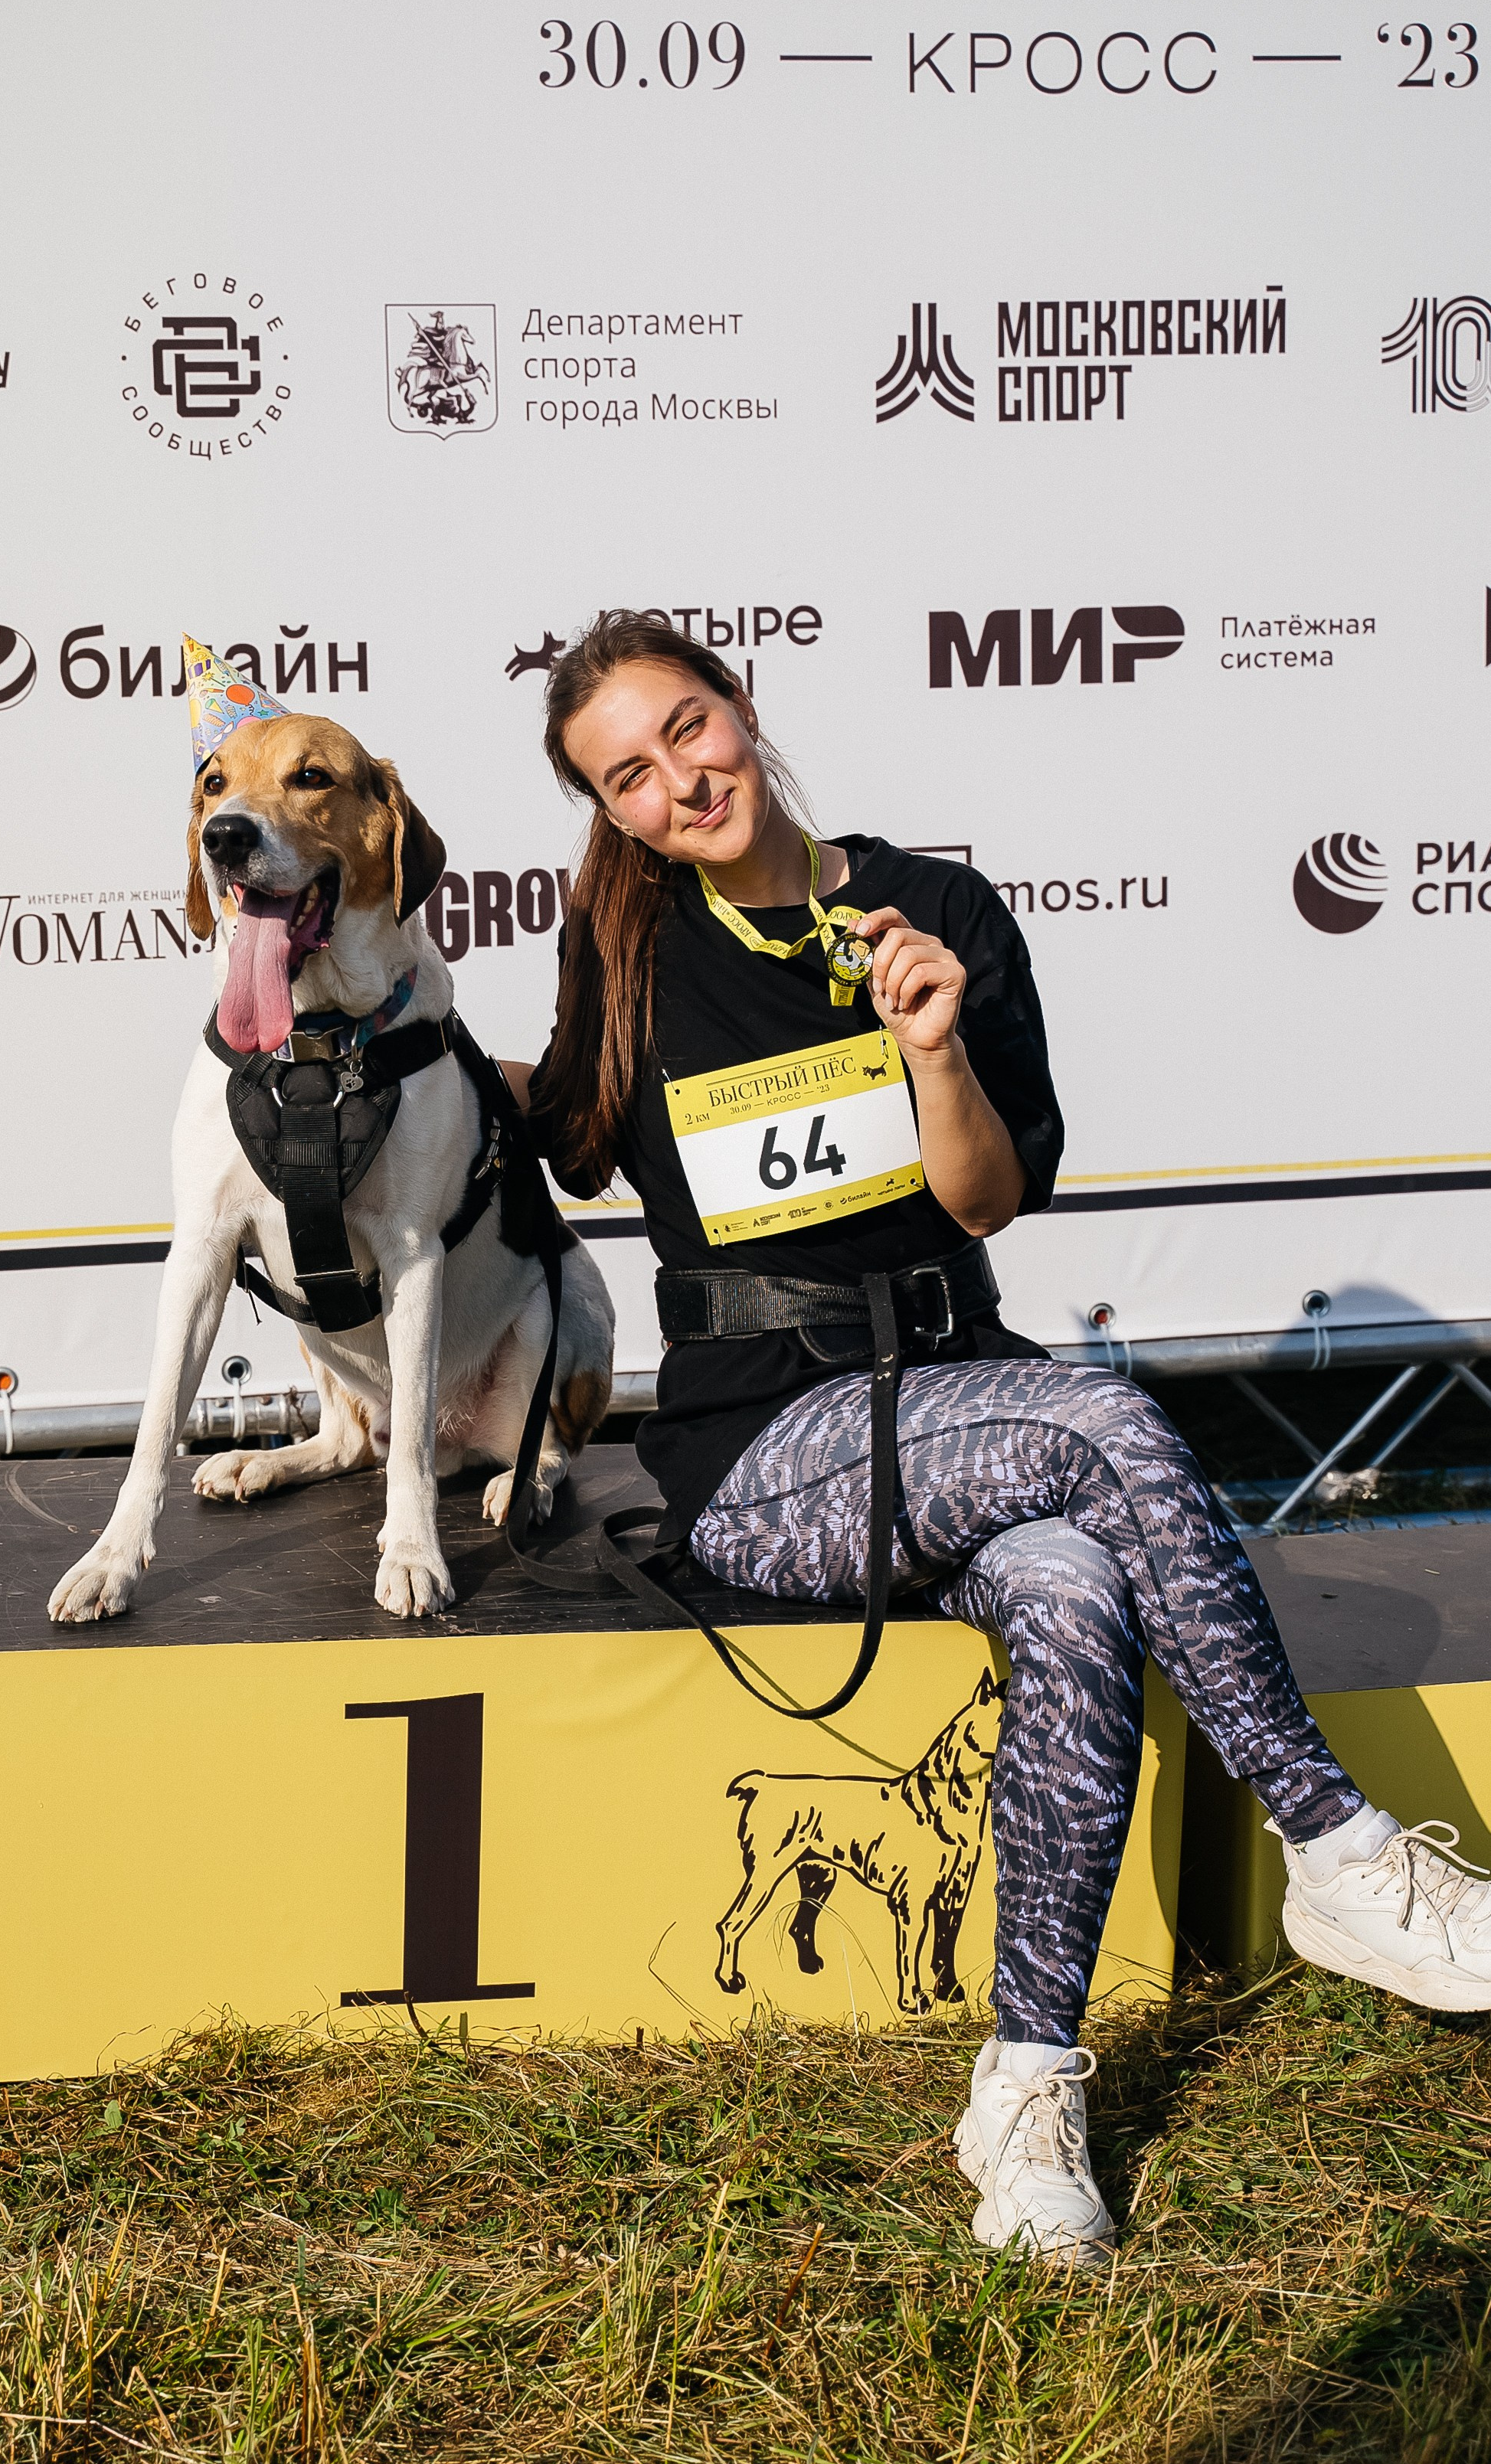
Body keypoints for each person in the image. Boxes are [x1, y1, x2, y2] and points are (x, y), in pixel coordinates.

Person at [500, 609, 1491, 2272]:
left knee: (1067, 1582)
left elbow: (984, 1198)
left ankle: (1023, 2095)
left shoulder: (931, 911)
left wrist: (929, 1045)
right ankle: (1330, 1842)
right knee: (1103, 1420)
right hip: (765, 1450)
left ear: (740, 704)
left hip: (963, 1391)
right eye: (630, 774)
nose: (680, 779)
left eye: (688, 729)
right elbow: (557, 1145)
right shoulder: (623, 955)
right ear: (608, 811)